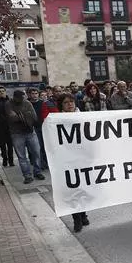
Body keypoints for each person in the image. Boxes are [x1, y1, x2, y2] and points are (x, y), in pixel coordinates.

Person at [57, 94, 90, 232]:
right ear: (61, 105)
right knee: (72, 188)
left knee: (83, 187)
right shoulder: (57, 120)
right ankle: (76, 218)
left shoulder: (83, 117)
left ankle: (83, 214)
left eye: (71, 101)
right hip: (67, 159)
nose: (70, 104)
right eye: (66, 102)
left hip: (82, 157)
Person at [6, 90, 44, 184]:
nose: (22, 100)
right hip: (16, 133)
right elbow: (12, 118)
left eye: (23, 98)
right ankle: (27, 175)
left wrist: (20, 116)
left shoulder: (27, 103)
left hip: (30, 131)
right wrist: (26, 115)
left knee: (36, 152)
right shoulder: (8, 104)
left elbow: (34, 117)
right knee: (22, 156)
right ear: (14, 97)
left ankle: (37, 172)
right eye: (20, 98)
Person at [26, 86, 48, 170]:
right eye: (33, 93)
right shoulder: (27, 103)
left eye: (36, 93)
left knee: (45, 146)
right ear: (29, 94)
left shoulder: (42, 103)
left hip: (43, 126)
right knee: (38, 147)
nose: (35, 95)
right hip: (33, 128)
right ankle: (41, 164)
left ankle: (45, 162)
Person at [0, 84, 13, 167]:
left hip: (9, 127)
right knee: (2, 145)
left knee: (10, 145)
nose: (1, 93)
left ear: (5, 92)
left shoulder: (10, 101)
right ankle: (4, 159)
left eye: (3, 91)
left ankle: (11, 161)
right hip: (0, 127)